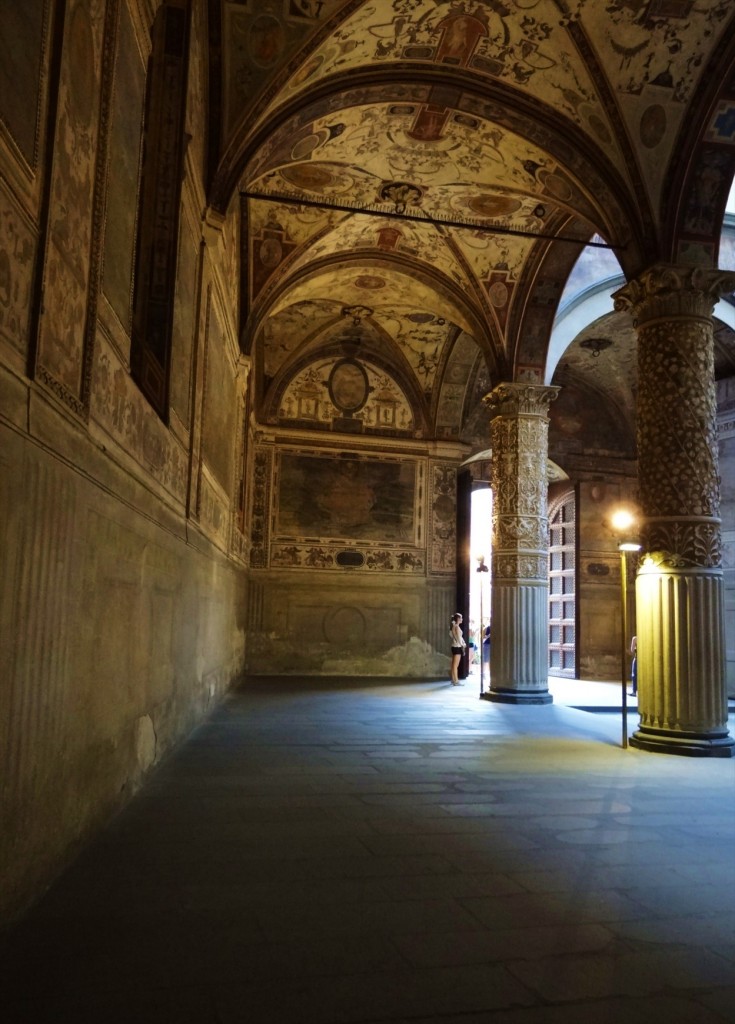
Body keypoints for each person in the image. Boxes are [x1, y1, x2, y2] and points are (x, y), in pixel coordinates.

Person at [449, 612, 466, 686]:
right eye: (461, 618)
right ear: (458, 619)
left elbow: (452, 636)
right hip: (457, 646)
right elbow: (459, 638)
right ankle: (456, 680)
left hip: (454, 646)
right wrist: (463, 645)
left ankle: (453, 679)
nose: (462, 619)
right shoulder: (457, 627)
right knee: (456, 665)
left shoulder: (453, 626)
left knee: (453, 664)